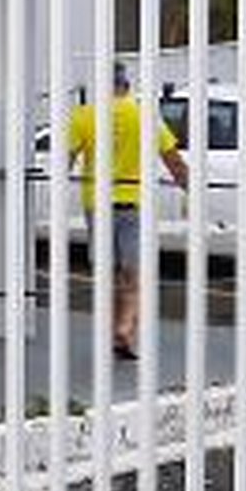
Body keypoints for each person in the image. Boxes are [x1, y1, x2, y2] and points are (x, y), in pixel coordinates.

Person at [60, 80, 165, 364]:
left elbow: (64, 160)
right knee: (134, 275)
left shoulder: (86, 115)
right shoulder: (145, 116)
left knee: (108, 274)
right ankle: (124, 329)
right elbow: (172, 159)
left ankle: (116, 337)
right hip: (134, 203)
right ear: (127, 85)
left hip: (98, 204)